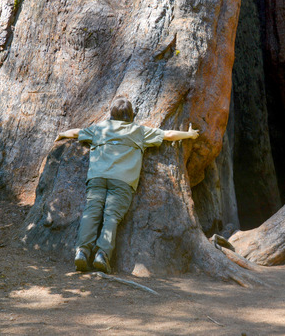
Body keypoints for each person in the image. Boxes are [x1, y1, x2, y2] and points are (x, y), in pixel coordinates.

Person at [55, 97, 199, 273]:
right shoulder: (138, 131)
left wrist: (62, 133)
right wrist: (190, 135)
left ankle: (82, 252)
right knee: (111, 216)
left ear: (112, 114)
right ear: (131, 114)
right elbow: (168, 135)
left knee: (91, 212)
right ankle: (102, 255)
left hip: (98, 177)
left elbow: (77, 133)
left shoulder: (101, 128)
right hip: (122, 181)